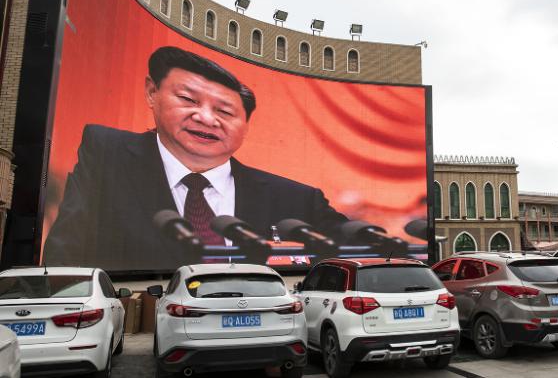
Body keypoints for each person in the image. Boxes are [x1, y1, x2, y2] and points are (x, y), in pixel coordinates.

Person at [43, 46, 348, 270]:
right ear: (152, 92)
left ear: (245, 126)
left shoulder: (294, 200)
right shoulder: (106, 155)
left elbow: (359, 252)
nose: (205, 118)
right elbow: (64, 255)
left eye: (224, 112)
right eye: (188, 99)